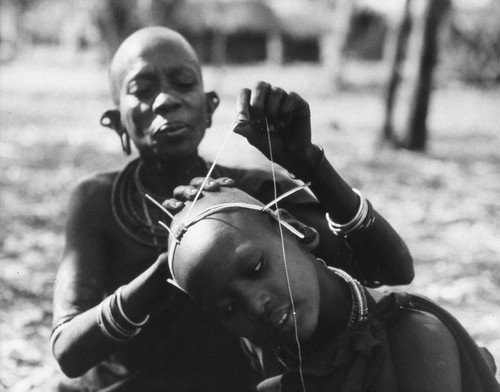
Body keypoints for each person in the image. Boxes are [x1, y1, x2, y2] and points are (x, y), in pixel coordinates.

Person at [51, 26, 414, 391]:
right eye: (142, 90)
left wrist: (311, 166)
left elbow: (392, 269)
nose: (165, 101)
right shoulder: (98, 200)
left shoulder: (253, 197)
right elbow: (68, 351)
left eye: (182, 82)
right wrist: (168, 269)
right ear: (117, 122)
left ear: (209, 108)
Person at [164, 184, 499, 392]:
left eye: (256, 268)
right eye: (227, 309)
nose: (254, 305)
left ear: (293, 228)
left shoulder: (413, 339)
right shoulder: (268, 345)